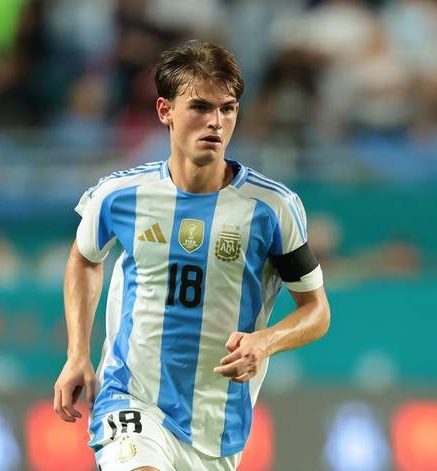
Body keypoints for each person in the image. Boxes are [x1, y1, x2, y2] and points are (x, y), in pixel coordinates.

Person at [53, 39, 331, 471]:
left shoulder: (272, 209)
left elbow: (316, 311)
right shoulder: (120, 196)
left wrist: (265, 342)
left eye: (227, 109)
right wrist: (77, 353)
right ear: (165, 110)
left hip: (216, 422)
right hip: (131, 397)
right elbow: (85, 258)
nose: (215, 122)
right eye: (200, 107)